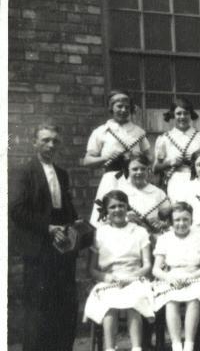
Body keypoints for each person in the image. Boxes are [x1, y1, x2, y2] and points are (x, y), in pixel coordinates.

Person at [9, 123, 80, 351]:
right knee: (38, 308)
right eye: (45, 140)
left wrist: (75, 226)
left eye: (55, 141)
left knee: (64, 306)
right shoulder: (24, 172)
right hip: (38, 248)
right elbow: (17, 210)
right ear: (34, 143)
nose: (51, 145)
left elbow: (67, 209)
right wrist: (48, 228)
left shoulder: (62, 173)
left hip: (62, 248)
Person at [83, 190, 154, 351]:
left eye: (121, 205)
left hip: (135, 278)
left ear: (127, 207)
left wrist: (131, 277)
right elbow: (92, 269)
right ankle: (110, 348)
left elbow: (147, 265)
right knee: (109, 302)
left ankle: (136, 347)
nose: (117, 210)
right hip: (109, 280)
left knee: (134, 300)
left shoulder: (139, 231)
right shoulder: (100, 233)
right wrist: (107, 277)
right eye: (112, 207)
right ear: (106, 211)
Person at [83, 90, 152, 226]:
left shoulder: (138, 132)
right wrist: (105, 158)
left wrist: (137, 157)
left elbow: (149, 157)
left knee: (135, 218)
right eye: (119, 106)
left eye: (127, 107)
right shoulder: (101, 131)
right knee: (108, 218)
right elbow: (87, 161)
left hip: (133, 179)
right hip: (111, 180)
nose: (123, 110)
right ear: (111, 107)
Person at [152, 202, 200, 351]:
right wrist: (169, 278)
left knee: (194, 298)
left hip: (195, 276)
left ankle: (189, 344)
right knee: (171, 300)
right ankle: (177, 345)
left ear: (191, 220)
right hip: (172, 276)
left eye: (185, 219)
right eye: (177, 220)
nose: (181, 223)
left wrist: (190, 278)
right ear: (171, 221)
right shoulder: (164, 238)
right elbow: (156, 269)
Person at [153, 97, 200, 203]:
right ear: (173, 115)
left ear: (191, 115)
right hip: (175, 181)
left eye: (186, 113)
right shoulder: (164, 138)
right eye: (179, 113)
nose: (182, 117)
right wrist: (170, 162)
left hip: (198, 180)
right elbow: (155, 168)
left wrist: (195, 161)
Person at [114, 154, 171, 236]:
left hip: (152, 235)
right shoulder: (120, 191)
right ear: (128, 170)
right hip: (126, 235)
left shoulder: (157, 192)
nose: (139, 172)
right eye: (135, 169)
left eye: (143, 169)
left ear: (148, 170)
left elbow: (168, 216)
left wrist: (162, 223)